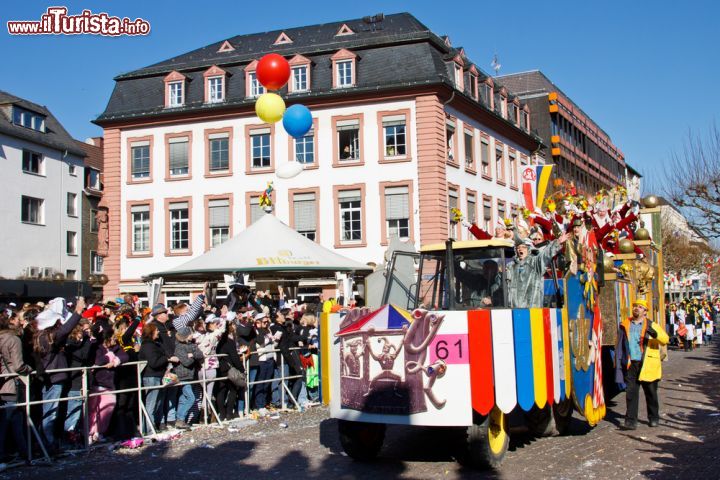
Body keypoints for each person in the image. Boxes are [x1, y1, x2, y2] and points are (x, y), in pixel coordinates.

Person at [32, 297, 84, 454]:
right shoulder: (48, 338)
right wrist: (78, 312)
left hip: (53, 378)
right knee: (50, 413)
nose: (59, 324)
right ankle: (48, 445)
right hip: (53, 379)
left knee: (50, 411)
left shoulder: (40, 336)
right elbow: (65, 330)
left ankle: (45, 443)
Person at [615, 299, 669, 430]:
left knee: (651, 392)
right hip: (631, 363)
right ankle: (631, 421)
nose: (636, 309)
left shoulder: (651, 325)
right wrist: (618, 360)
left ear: (645, 311)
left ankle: (654, 418)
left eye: (640, 307)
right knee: (631, 393)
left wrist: (654, 333)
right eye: (635, 306)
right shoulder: (625, 324)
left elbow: (665, 339)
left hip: (647, 363)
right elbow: (620, 344)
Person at [0, 310, 31, 462]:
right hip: (11, 384)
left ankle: (24, 453)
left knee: (15, 421)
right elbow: (18, 366)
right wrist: (30, 370)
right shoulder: (14, 340)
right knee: (6, 423)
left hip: (3, 385)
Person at [507, 234, 568, 308]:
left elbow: (545, 255)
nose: (520, 249)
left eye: (523, 247)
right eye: (518, 247)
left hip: (532, 311)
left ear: (528, 250)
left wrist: (557, 242)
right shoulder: (510, 266)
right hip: (513, 311)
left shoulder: (535, 263)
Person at [138, 323, 178, 433]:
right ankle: (148, 430)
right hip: (151, 376)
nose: (158, 332)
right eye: (156, 330)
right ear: (151, 332)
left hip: (158, 376)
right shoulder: (148, 346)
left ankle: (152, 426)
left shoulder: (156, 344)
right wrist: (167, 359)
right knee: (151, 404)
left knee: (158, 403)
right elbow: (154, 362)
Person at [173, 326, 204, 429]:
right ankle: (180, 419)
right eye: (190, 333)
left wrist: (192, 355)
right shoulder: (179, 347)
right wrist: (191, 357)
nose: (192, 335)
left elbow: (200, 354)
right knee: (191, 398)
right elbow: (186, 362)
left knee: (183, 398)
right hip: (183, 375)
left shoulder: (191, 344)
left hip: (190, 375)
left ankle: (180, 420)